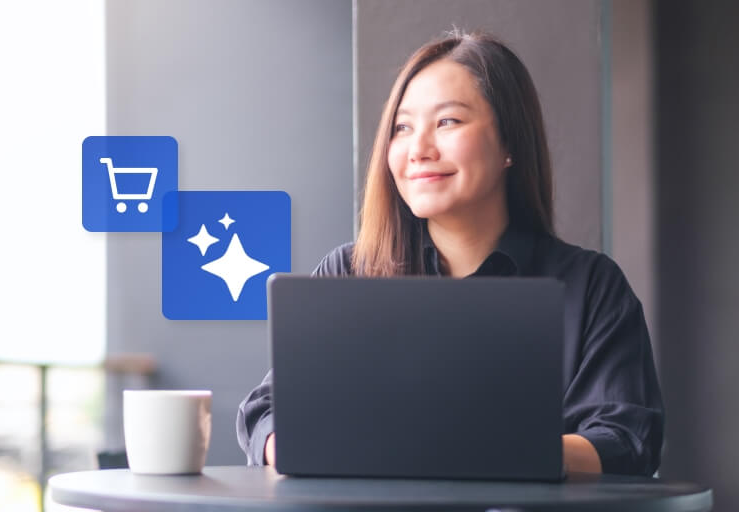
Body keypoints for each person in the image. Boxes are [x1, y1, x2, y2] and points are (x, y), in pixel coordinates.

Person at [237, 30, 663, 476]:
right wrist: (292, 446)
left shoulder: (590, 286)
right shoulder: (349, 272)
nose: (418, 150)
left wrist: (464, 450)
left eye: (447, 122)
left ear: (510, 143)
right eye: (402, 128)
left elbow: (626, 438)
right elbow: (267, 411)